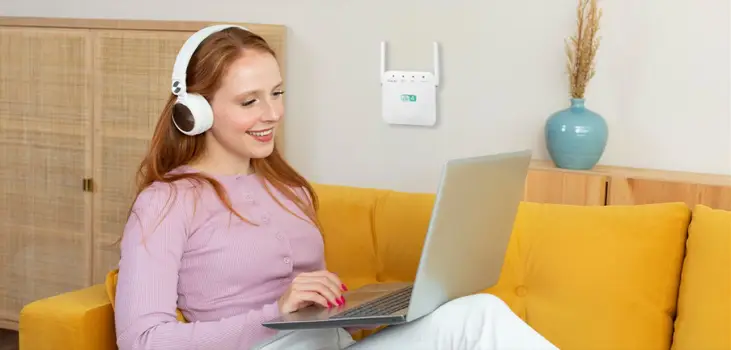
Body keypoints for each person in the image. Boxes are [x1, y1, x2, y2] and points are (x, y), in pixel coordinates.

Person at [113, 25, 558, 350]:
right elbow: (143, 340)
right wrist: (275, 315)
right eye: (250, 101)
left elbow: (315, 311)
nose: (272, 113)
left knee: (478, 315)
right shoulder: (167, 203)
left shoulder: (290, 190)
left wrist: (374, 311)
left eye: (278, 93)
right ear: (197, 111)